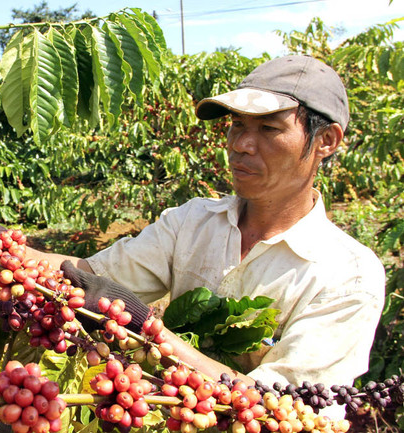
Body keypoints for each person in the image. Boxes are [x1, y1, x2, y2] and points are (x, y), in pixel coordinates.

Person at [28, 55, 385, 389]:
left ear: (326, 141)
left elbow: (282, 404)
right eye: (237, 125)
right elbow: (83, 273)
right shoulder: (194, 221)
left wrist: (150, 332)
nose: (241, 144)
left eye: (269, 129)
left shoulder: (348, 277)